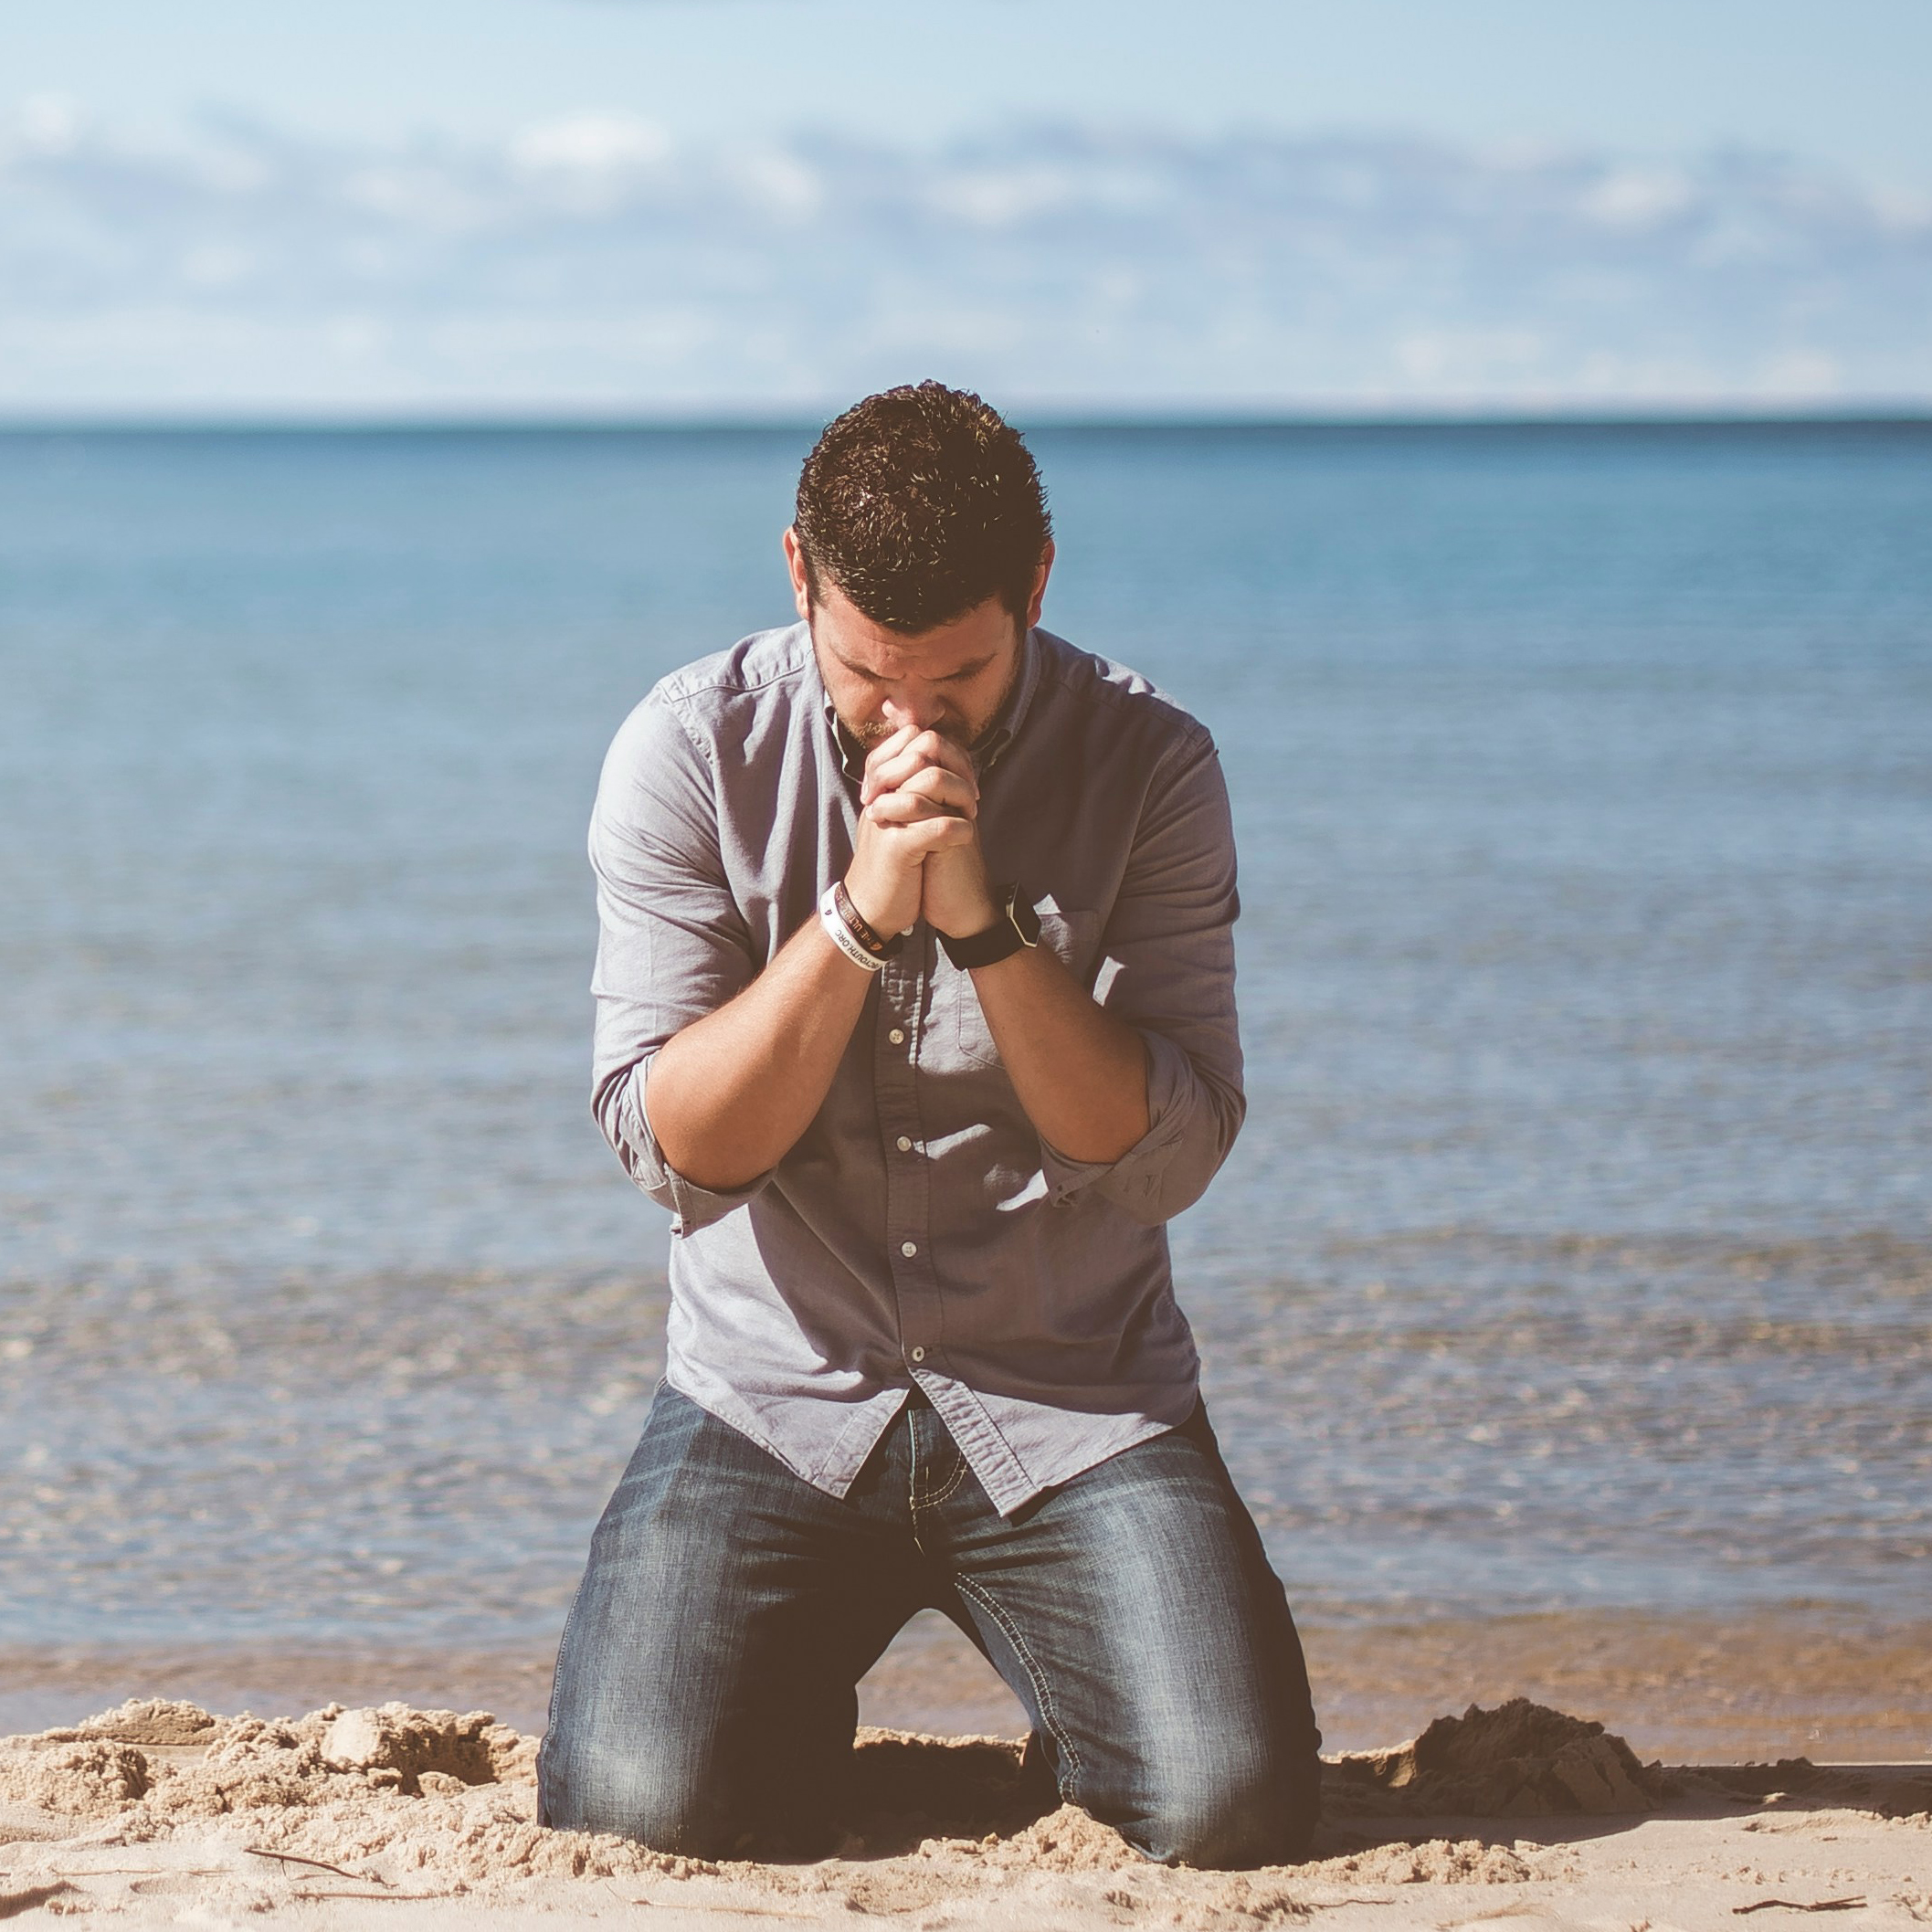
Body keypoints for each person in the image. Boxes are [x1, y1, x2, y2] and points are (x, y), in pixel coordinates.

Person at [536, 382, 1323, 1867]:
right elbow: (673, 1149)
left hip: (1073, 1399)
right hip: (771, 1397)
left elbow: (1165, 1156)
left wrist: (981, 928)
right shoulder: (691, 748)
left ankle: (1076, 1696)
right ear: (796, 579)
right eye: (865, 674)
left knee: (1230, 1809)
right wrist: (852, 917)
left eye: (956, 678)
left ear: (1034, 585)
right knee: (633, 1819)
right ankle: (780, 1707)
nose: (910, 724)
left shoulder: (1154, 762)